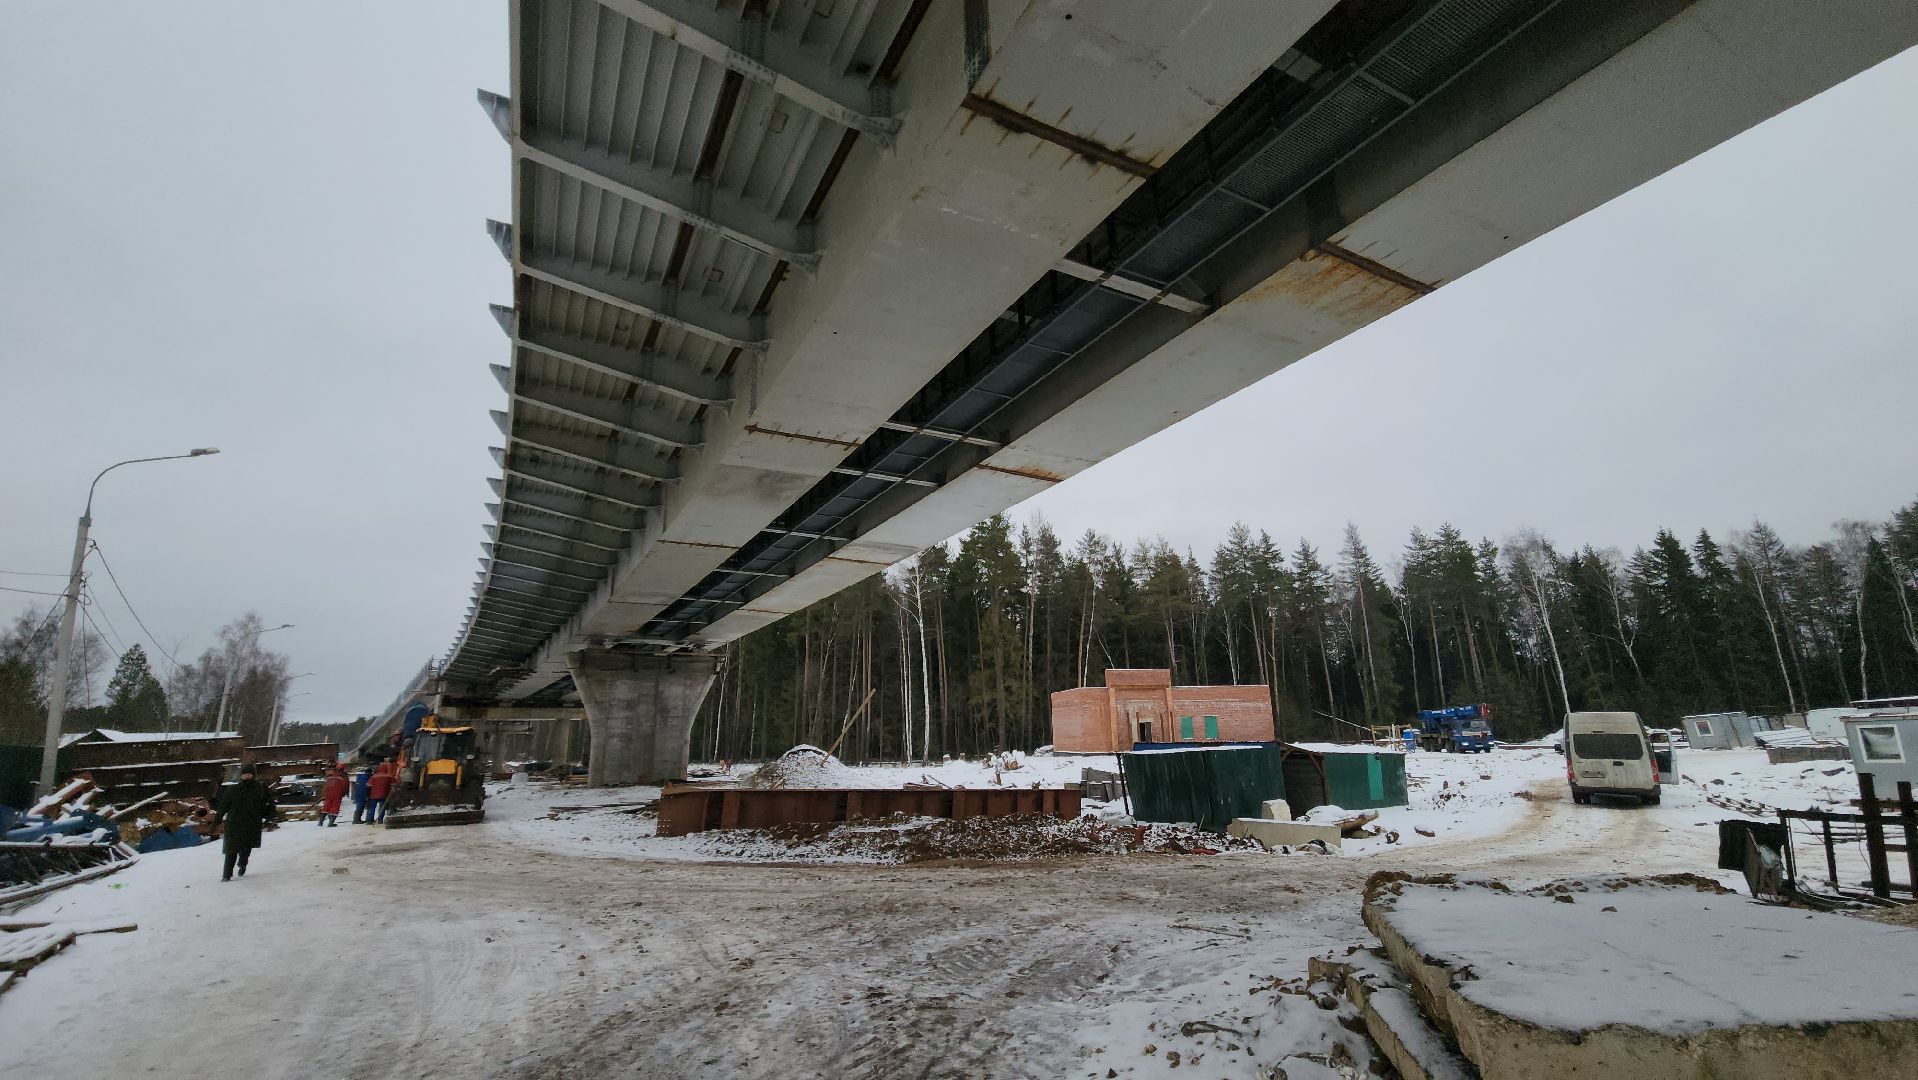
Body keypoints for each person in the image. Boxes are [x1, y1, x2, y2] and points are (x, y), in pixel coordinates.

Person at [212, 766, 273, 882]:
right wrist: (216, 822)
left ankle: (242, 864)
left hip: (252, 823)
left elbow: (268, 803)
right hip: (234, 824)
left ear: (253, 775)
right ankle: (226, 875)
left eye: (249, 774)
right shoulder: (233, 790)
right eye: (245, 774)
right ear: (241, 776)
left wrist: (270, 816)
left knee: (246, 848)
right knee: (231, 850)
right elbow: (223, 807)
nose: (247, 776)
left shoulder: (260, 788)